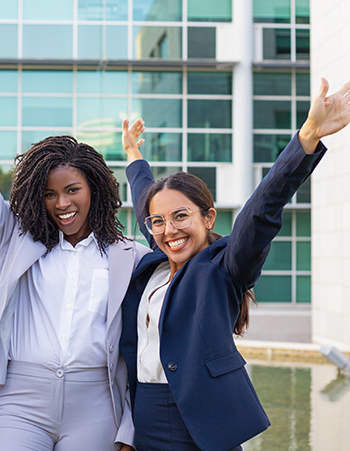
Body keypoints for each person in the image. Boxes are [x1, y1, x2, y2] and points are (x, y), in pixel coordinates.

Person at [119, 77, 350, 451]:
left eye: (181, 217)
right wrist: (133, 156)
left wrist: (307, 137)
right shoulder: (158, 261)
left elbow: (262, 211)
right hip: (144, 417)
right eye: (158, 222)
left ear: (208, 218)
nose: (169, 230)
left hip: (201, 422)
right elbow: (146, 195)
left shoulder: (223, 267)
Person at [0, 56, 149, 451]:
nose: (62, 203)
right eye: (50, 193)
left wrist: (129, 427)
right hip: (22, 399)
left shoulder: (130, 255)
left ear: (95, 190)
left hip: (97, 404)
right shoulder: (15, 237)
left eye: (73, 190)